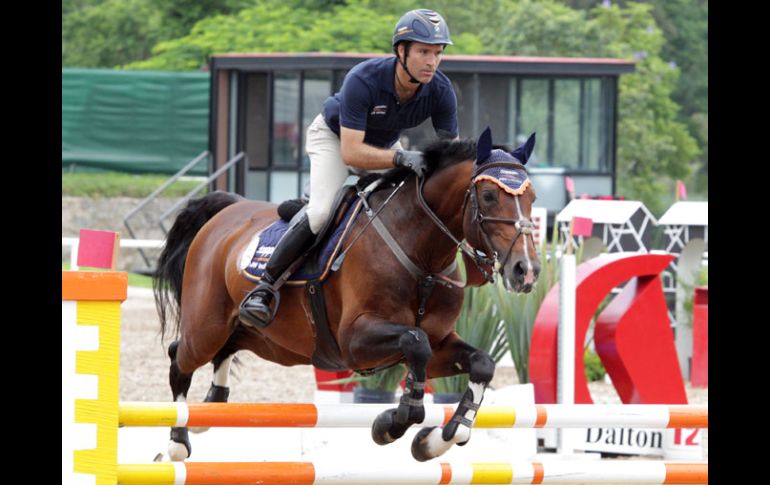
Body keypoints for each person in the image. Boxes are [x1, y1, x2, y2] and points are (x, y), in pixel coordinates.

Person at [239, 8, 460, 329]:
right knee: (319, 214)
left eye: (438, 53)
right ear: (401, 51)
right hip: (335, 139)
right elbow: (353, 154)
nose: (432, 61)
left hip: (384, 145)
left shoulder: (441, 90)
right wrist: (402, 159)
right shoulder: (364, 78)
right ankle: (264, 288)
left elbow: (450, 153)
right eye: (424, 51)